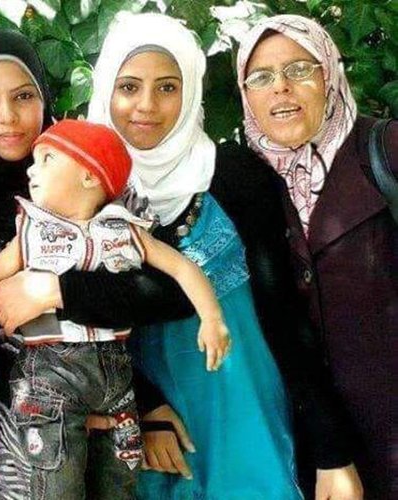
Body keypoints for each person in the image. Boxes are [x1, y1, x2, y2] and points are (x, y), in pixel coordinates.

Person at [0, 28, 198, 499]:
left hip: (101, 412)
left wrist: (55, 290)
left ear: (44, 98)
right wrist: (54, 406)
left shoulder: (90, 167)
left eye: (23, 96)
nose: (8, 116)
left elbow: (163, 293)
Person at [86, 13, 307, 498]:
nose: (146, 105)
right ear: (105, 90)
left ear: (190, 91)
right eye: (128, 86)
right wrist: (144, 404)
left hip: (244, 418)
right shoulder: (81, 189)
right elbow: (78, 325)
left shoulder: (233, 174)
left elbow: (284, 313)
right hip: (150, 436)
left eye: (168, 87)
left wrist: (331, 448)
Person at [0, 119, 230, 499]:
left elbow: (182, 268)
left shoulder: (126, 230)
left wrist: (212, 319)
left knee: (120, 480)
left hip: (116, 374)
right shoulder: (32, 232)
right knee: (57, 483)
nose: (31, 169)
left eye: (47, 159)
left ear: (88, 175)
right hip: (50, 373)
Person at [237, 14, 394, 498]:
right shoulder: (249, 183)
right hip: (319, 454)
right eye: (261, 77)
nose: (281, 88)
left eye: (300, 69)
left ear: (330, 74)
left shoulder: (385, 150)